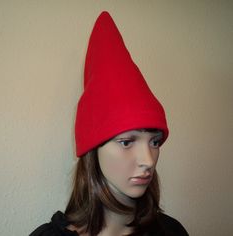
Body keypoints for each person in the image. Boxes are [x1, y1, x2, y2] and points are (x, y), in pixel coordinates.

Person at [30, 11, 188, 236]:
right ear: (93, 150)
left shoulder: (172, 232)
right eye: (126, 142)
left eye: (155, 141)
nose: (148, 160)